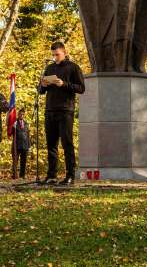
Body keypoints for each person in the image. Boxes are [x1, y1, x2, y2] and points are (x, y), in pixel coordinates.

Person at [39, 41, 85, 185]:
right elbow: (41, 91)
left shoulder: (73, 67)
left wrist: (63, 84)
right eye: (53, 55)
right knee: (51, 145)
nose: (55, 58)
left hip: (65, 110)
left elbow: (81, 88)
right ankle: (51, 175)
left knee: (67, 144)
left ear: (64, 52)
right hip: (50, 110)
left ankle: (70, 175)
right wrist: (42, 85)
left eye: (57, 55)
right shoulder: (49, 68)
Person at [14, 108, 31, 179]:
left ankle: (22, 175)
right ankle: (14, 174)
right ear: (18, 114)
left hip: (25, 145)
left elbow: (28, 135)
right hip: (17, 144)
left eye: (23, 114)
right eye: (20, 114)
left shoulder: (26, 123)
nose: (21, 115)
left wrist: (29, 145)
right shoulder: (15, 123)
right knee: (15, 160)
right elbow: (12, 133)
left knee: (23, 161)